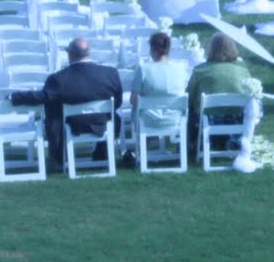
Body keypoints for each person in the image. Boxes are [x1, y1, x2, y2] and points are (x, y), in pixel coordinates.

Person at [11, 37, 123, 166]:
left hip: (73, 124)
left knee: (53, 109)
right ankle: (102, 153)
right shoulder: (110, 73)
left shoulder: (58, 78)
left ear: (70, 54)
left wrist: (15, 97)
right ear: (89, 54)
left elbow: (42, 97)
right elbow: (117, 102)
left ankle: (58, 157)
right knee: (115, 117)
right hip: (102, 122)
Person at [186, 33, 251, 157]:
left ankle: (195, 144)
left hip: (208, 120)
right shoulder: (243, 71)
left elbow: (189, 97)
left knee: (189, 112)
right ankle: (231, 141)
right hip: (235, 119)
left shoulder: (200, 70)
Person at [130, 31, 191, 152]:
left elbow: (133, 100)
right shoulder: (181, 69)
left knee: (138, 110)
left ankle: (144, 148)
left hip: (148, 120)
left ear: (152, 49)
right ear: (168, 49)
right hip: (175, 119)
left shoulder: (143, 69)